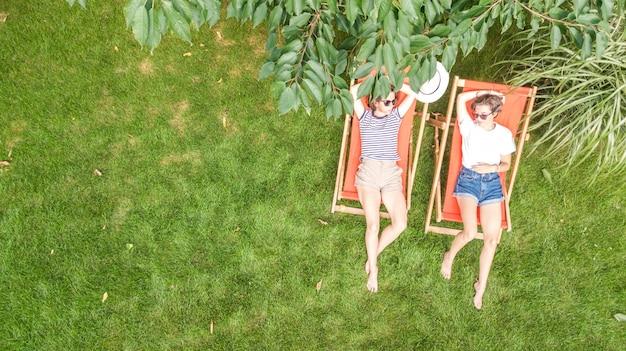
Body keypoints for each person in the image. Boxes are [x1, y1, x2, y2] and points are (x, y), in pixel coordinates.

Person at [440, 89, 515, 309]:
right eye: (477, 114)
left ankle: (481, 286)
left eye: (484, 115)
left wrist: (491, 167)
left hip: (492, 183)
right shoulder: (468, 126)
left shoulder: (503, 134)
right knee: (471, 233)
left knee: (492, 239)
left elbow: (506, 165)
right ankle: (449, 256)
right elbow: (461, 98)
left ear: (495, 114)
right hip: (469, 181)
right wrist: (490, 93)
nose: (478, 118)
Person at [350, 80, 419, 293]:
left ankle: (374, 255)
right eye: (387, 102)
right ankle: (374, 270)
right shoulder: (364, 117)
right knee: (373, 225)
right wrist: (376, 81)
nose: (391, 104)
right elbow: (353, 91)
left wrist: (395, 85)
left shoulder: (396, 116)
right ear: (375, 102)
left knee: (401, 224)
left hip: (390, 174)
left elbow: (414, 93)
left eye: (393, 100)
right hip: (369, 173)